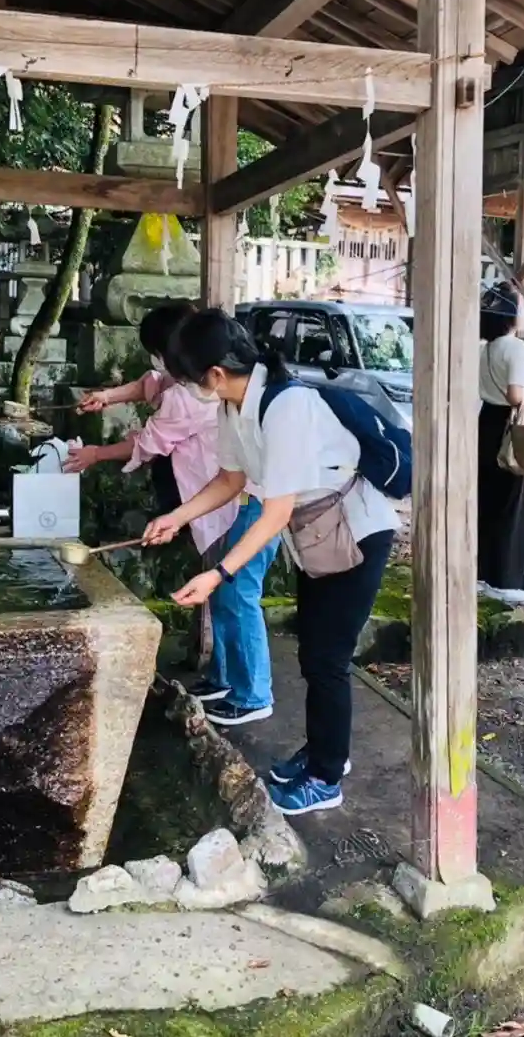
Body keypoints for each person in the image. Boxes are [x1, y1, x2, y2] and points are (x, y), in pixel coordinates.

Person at [144, 310, 400, 815]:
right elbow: (230, 481)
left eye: (190, 379)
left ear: (215, 373)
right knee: (313, 653)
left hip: (357, 534)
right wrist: (176, 516)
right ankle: (325, 749)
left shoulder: (287, 407)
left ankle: (326, 776)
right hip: (317, 536)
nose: (189, 388)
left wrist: (218, 573)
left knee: (327, 660)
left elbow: (275, 512)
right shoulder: (234, 405)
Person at [73, 306, 279, 725]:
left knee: (238, 596)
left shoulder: (193, 395)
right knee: (222, 595)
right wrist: (108, 396)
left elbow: (148, 444)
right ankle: (224, 678)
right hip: (223, 503)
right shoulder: (199, 384)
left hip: (249, 506)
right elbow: (150, 384)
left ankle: (254, 694)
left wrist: (95, 454)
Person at [476, 283, 524, 604]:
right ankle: (505, 578)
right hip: (508, 426)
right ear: (511, 315)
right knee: (511, 501)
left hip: (485, 421)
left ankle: (481, 572)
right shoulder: (516, 348)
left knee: (485, 499)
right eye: (522, 307)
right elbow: (514, 395)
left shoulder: (484, 348)